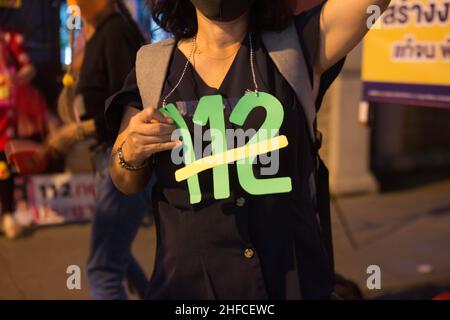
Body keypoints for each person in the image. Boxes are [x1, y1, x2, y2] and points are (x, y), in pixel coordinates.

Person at [108, 0, 391, 299]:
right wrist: (132, 151)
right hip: (188, 288)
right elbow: (123, 176)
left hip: (290, 282)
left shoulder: (297, 46)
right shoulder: (152, 67)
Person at [48, 0, 152, 299]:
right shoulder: (97, 36)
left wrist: (76, 131)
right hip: (103, 160)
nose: (73, 4)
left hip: (119, 158)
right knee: (116, 256)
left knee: (102, 268)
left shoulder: (116, 32)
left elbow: (130, 108)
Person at [0, 29, 40, 239]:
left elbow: (29, 69)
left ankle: (7, 214)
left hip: (4, 116)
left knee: (3, 167)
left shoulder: (9, 39)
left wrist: (13, 78)